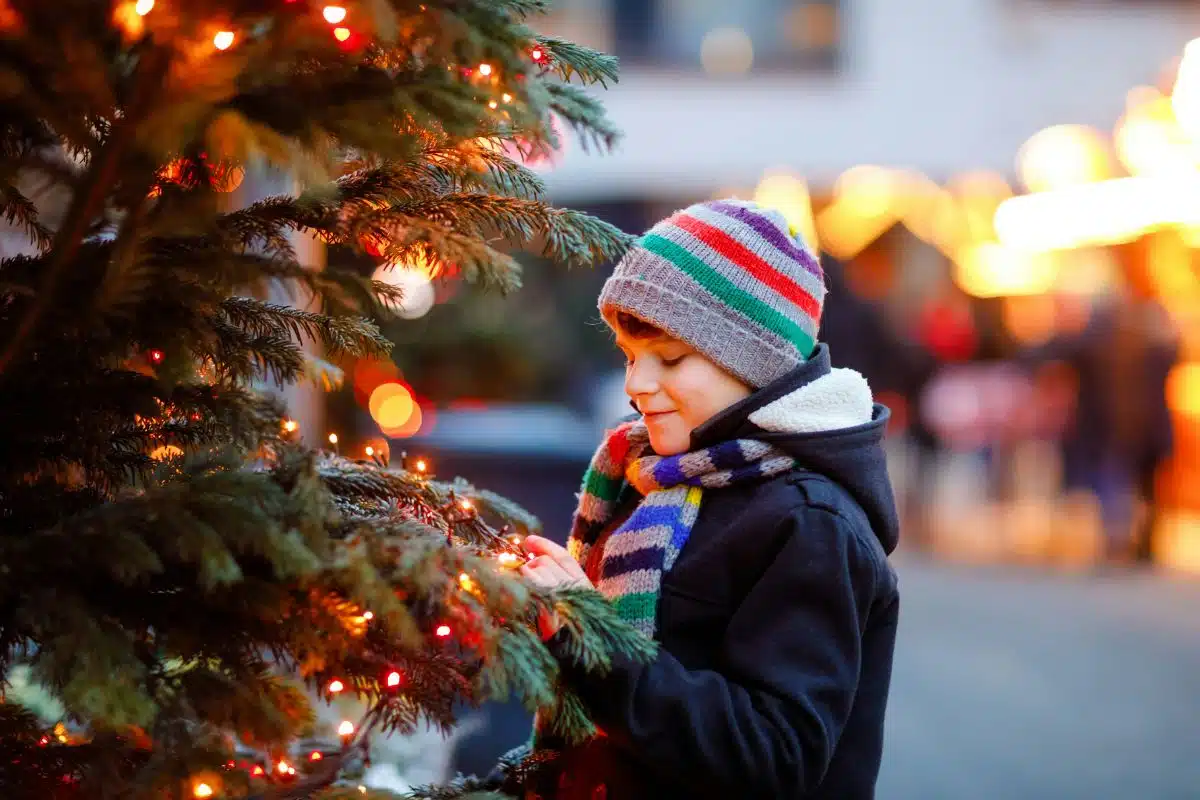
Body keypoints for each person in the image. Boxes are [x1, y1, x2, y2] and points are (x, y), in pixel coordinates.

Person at [511, 199, 901, 799]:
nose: (636, 385)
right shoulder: (650, 477)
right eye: (629, 356)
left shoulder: (810, 521)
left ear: (754, 363)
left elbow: (773, 756)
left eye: (669, 358)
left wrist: (589, 637)